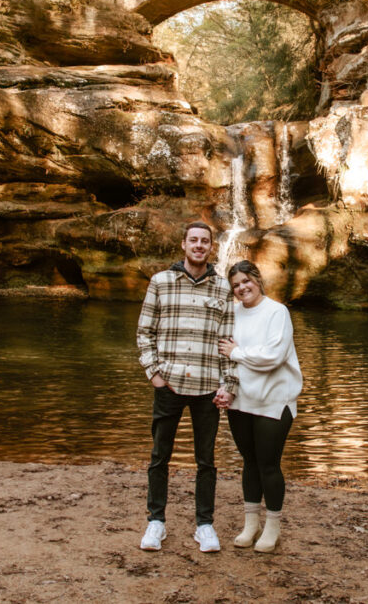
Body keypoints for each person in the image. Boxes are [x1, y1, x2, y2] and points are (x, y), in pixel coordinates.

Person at [136, 221, 238, 553]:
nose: (198, 245)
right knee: (159, 456)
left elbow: (228, 342)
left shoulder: (222, 288)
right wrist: (154, 373)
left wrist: (229, 385)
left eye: (204, 241)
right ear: (183, 244)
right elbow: (145, 332)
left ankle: (204, 525)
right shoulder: (161, 282)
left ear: (211, 247)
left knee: (206, 460)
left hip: (208, 386)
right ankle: (156, 521)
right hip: (169, 384)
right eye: (193, 240)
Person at [216, 260, 302, 554]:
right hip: (241, 400)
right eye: (236, 285)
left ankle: (273, 527)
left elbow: (274, 356)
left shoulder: (277, 311)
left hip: (274, 401)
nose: (242, 288)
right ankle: (251, 524)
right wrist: (224, 388)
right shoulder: (232, 313)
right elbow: (223, 356)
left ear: (257, 279)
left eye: (245, 281)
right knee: (249, 462)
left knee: (268, 464)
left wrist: (237, 352)